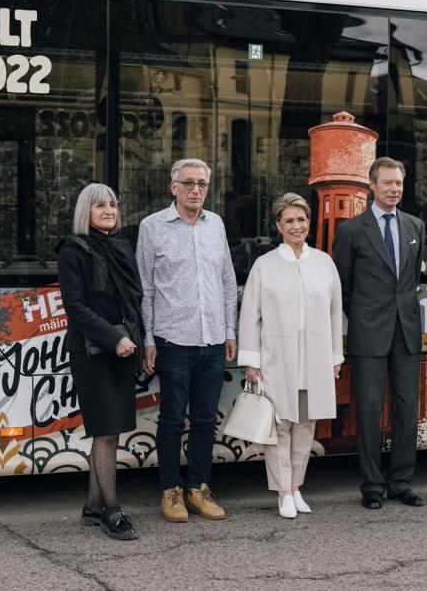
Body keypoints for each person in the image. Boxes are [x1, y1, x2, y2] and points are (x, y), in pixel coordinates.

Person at [137, 158, 238, 522]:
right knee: (171, 419)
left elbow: (227, 281)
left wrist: (229, 331)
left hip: (212, 340)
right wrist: (148, 338)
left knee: (205, 419)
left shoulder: (216, 225)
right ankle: (170, 491)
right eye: (189, 183)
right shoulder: (152, 228)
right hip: (172, 340)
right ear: (173, 187)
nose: (196, 190)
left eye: (202, 184)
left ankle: (199, 488)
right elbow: (145, 290)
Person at [238, 193, 344, 518]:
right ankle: (282, 490)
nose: (296, 226)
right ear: (278, 225)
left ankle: (297, 487)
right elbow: (250, 315)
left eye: (301, 220)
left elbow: (335, 311)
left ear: (308, 223)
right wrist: (251, 361)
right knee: (279, 424)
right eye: (289, 221)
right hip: (276, 355)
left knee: (306, 424)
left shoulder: (324, 262)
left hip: (314, 355)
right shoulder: (264, 265)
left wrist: (335, 356)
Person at [332, 157, 426, 510]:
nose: (394, 189)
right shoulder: (351, 230)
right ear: (371, 186)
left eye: (399, 183)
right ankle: (372, 485)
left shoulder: (415, 225)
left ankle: (402, 482)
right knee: (369, 410)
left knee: (406, 409)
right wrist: (364, 316)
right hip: (368, 332)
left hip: (406, 332)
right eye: (387, 183)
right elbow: (343, 286)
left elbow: (410, 280)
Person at [56, 183, 144, 540]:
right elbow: (76, 309)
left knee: (113, 430)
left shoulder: (120, 247)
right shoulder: (72, 251)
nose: (109, 210)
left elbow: (133, 301)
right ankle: (113, 511)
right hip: (92, 352)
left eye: (113, 204)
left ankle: (94, 505)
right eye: (100, 206)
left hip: (123, 348)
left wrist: (133, 340)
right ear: (85, 212)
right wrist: (114, 338)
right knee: (105, 433)